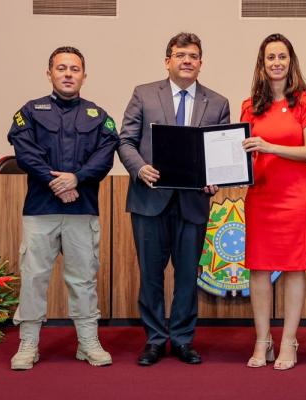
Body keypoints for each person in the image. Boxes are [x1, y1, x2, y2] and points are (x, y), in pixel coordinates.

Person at [118, 32, 230, 366]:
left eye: (193, 56)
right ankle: (154, 339)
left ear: (200, 62)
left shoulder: (218, 102)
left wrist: (216, 180)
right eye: (180, 55)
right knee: (150, 276)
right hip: (149, 200)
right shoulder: (143, 94)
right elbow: (125, 141)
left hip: (193, 203)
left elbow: (221, 153)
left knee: (186, 278)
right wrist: (140, 168)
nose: (186, 61)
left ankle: (182, 339)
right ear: (168, 60)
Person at [7, 46, 119, 370]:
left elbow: (105, 154)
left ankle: (88, 342)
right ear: (49, 73)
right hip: (40, 209)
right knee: (33, 278)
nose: (68, 73)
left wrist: (77, 179)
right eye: (61, 68)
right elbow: (25, 152)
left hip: (81, 210)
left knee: (83, 279)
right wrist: (57, 182)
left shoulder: (98, 116)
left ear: (84, 75)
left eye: (74, 68)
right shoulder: (30, 111)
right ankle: (28, 344)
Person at [241, 33, 306, 371]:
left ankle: (289, 340)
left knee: (293, 269)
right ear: (262, 64)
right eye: (269, 57)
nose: (276, 62)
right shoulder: (249, 105)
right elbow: (240, 154)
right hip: (260, 197)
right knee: (258, 270)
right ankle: (263, 340)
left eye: (282, 57)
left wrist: (270, 146)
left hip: (295, 198)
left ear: (291, 62)